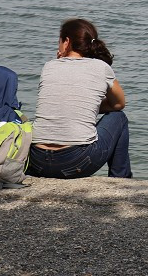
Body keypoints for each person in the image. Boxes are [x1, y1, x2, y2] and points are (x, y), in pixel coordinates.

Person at [27, 18, 132, 179]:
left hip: (37, 161)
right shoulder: (101, 67)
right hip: (77, 162)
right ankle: (121, 180)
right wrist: (92, 106)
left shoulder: (49, 66)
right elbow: (119, 104)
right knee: (119, 118)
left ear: (67, 42)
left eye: (59, 41)